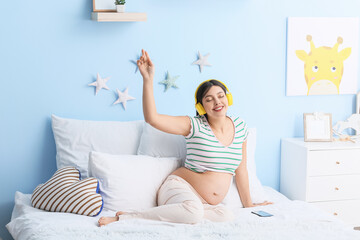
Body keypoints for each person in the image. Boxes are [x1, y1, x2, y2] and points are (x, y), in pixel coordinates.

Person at [98, 49, 272, 227]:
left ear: (228, 98)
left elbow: (241, 171)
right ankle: (127, 216)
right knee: (193, 211)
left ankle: (185, 213)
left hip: (204, 205)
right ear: (201, 106)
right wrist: (148, 79)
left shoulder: (241, 127)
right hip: (179, 189)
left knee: (225, 215)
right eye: (209, 99)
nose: (217, 102)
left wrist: (249, 205)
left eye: (221, 96)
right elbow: (153, 119)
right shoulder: (194, 125)